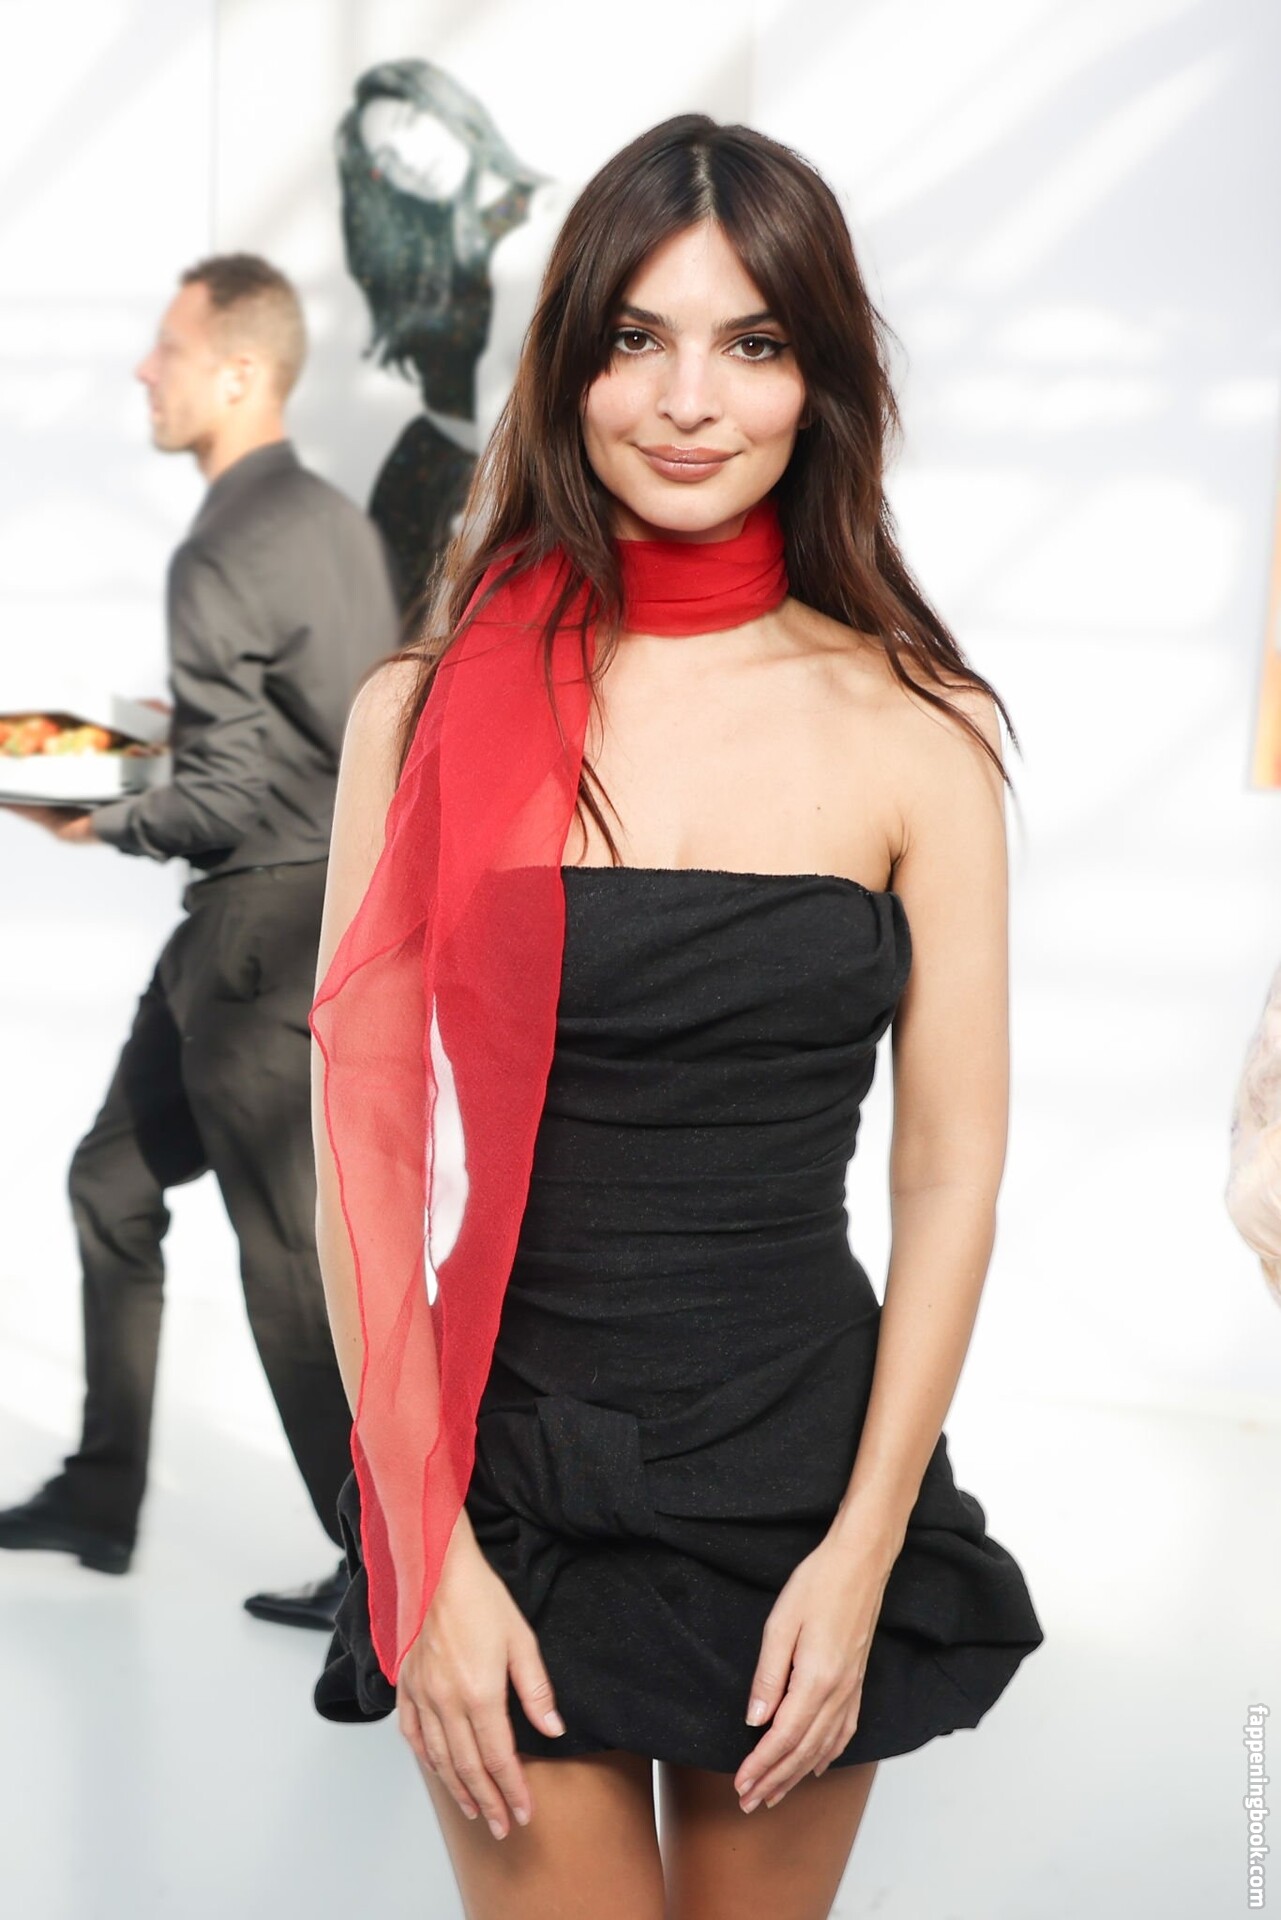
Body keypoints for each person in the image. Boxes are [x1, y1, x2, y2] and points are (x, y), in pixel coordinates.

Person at [310, 118, 1044, 1918]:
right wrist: (422, 1550)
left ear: (820, 378)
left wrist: (866, 1548)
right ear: (570, 366)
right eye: (637, 338)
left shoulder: (919, 732)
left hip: (802, 1474)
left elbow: (948, 1175)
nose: (689, 400)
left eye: (753, 342)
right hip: (506, 1469)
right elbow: (363, 1152)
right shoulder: (423, 709)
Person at [0, 254, 401, 1633]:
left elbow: (225, 797)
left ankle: (387, 1576)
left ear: (238, 372)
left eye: (167, 350)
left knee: (283, 1256)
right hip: (293, 915)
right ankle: (101, 1495)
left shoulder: (220, 544)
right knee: (111, 1181)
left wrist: (93, 815)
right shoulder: (330, 522)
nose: (142, 370)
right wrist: (139, 745)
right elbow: (322, 728)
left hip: (253, 934)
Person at [336, 58, 575, 607]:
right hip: (421, 478)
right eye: (386, 161)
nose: (408, 161)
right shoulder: (427, 248)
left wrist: (489, 502)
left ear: (446, 108)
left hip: (514, 487)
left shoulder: (551, 216)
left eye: (409, 125)